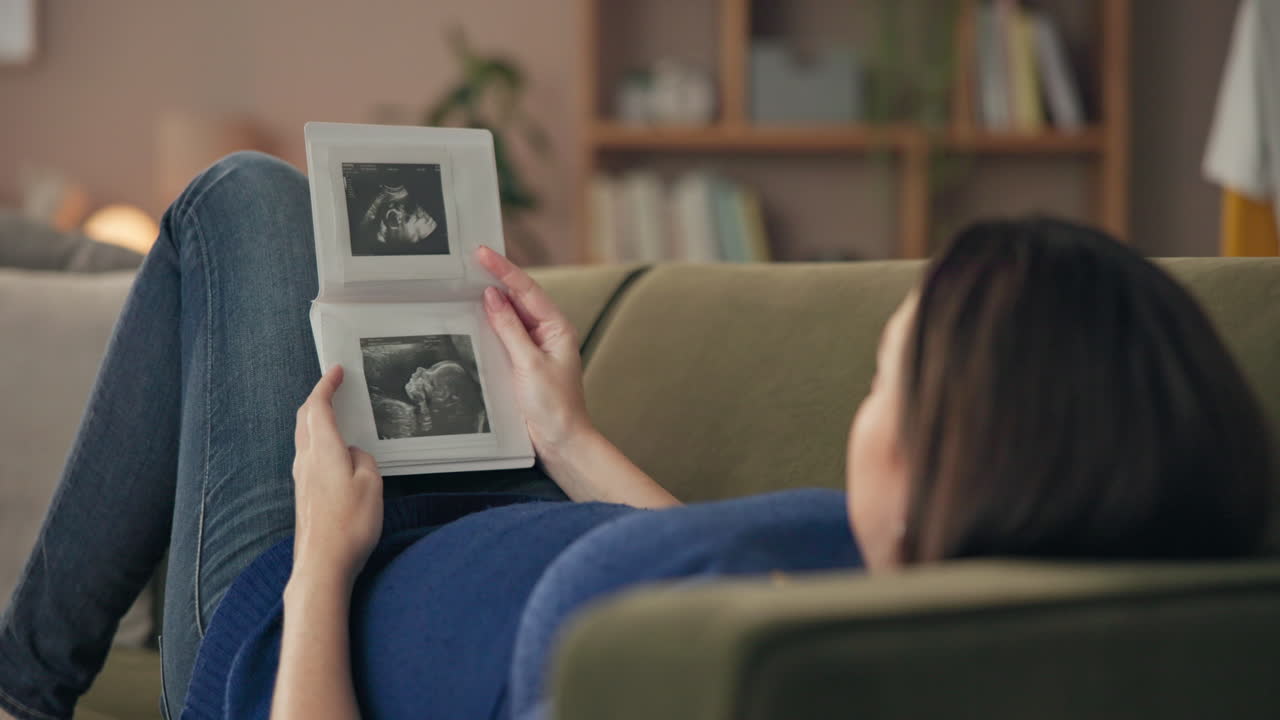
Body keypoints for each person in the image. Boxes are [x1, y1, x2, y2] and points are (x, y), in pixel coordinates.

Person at [0, 151, 1272, 720]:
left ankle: (22, 686)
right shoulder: (921, 575)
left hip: (287, 617)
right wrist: (566, 436)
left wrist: (324, 560)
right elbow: (720, 588)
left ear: (973, 451)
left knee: (239, 201)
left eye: (882, 384)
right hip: (483, 501)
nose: (860, 415)